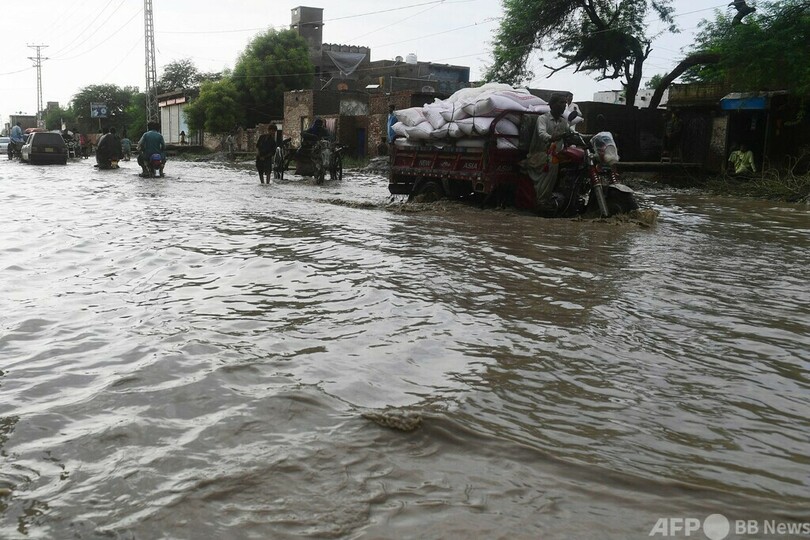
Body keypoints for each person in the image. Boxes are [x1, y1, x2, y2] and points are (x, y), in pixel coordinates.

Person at [523, 93, 571, 208]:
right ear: (552, 105)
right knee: (552, 163)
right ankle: (542, 200)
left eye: (565, 103)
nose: (564, 105)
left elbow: (571, 134)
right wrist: (552, 137)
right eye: (561, 102)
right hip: (539, 155)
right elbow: (542, 134)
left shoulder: (564, 122)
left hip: (557, 154)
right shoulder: (543, 119)